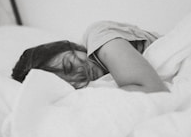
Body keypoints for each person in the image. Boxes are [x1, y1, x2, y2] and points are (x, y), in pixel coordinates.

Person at [12, 21, 168, 93]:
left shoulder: (99, 35)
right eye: (69, 82)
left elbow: (153, 90)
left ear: (68, 47)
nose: (79, 74)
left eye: (69, 65)